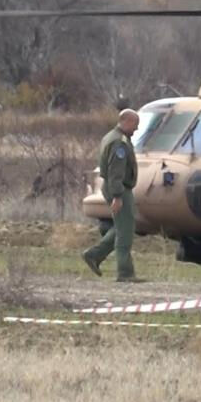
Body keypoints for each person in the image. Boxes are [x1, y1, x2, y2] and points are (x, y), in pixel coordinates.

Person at [82, 109, 142, 282]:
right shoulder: (119, 143)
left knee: (122, 226)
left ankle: (94, 255)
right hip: (118, 188)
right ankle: (125, 272)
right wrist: (117, 196)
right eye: (135, 125)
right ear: (127, 121)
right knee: (125, 232)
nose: (136, 129)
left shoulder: (111, 137)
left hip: (115, 187)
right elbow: (116, 171)